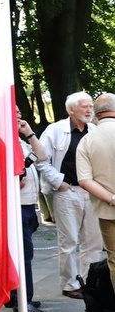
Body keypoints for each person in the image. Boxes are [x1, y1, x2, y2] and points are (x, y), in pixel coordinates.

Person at [0, 107, 48, 312]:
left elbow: (43, 156)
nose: (19, 115)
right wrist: (11, 183)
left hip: (28, 204)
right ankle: (23, 300)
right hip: (13, 206)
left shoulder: (20, 141)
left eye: (20, 112)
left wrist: (29, 132)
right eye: (14, 112)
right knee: (23, 255)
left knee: (20, 253)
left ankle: (13, 293)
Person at [37, 91, 103, 299]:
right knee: (69, 242)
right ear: (71, 110)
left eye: (90, 106)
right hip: (68, 191)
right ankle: (70, 284)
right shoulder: (55, 130)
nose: (89, 110)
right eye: (84, 106)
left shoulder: (94, 130)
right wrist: (59, 182)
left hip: (92, 191)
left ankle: (89, 282)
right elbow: (41, 160)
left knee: (93, 241)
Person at [76, 92, 115, 293]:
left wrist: (112, 198)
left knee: (114, 260)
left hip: (108, 211)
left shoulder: (87, 141)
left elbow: (84, 180)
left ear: (96, 114)